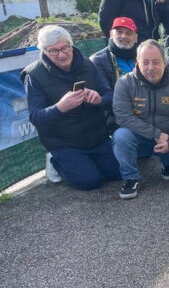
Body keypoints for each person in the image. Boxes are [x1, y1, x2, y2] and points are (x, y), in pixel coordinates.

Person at [23, 25, 120, 190]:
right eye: (53, 51)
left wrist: (99, 99)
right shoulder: (33, 75)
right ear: (44, 51)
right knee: (89, 182)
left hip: (96, 135)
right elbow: (36, 117)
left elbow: (109, 95)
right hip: (64, 141)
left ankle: (87, 162)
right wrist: (59, 107)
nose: (61, 55)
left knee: (118, 173)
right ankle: (55, 161)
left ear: (71, 44)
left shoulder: (87, 64)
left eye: (64, 48)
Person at [112, 40, 169, 199]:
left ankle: (167, 162)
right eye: (145, 62)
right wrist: (156, 134)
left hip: (168, 136)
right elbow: (123, 117)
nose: (151, 67)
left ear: (165, 63)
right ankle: (130, 178)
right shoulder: (124, 84)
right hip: (139, 137)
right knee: (121, 136)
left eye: (156, 62)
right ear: (137, 62)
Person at [90, 16, 139, 133]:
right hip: (117, 119)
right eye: (119, 32)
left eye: (128, 33)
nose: (124, 36)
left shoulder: (143, 57)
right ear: (111, 34)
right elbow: (106, 96)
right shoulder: (98, 60)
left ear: (136, 38)